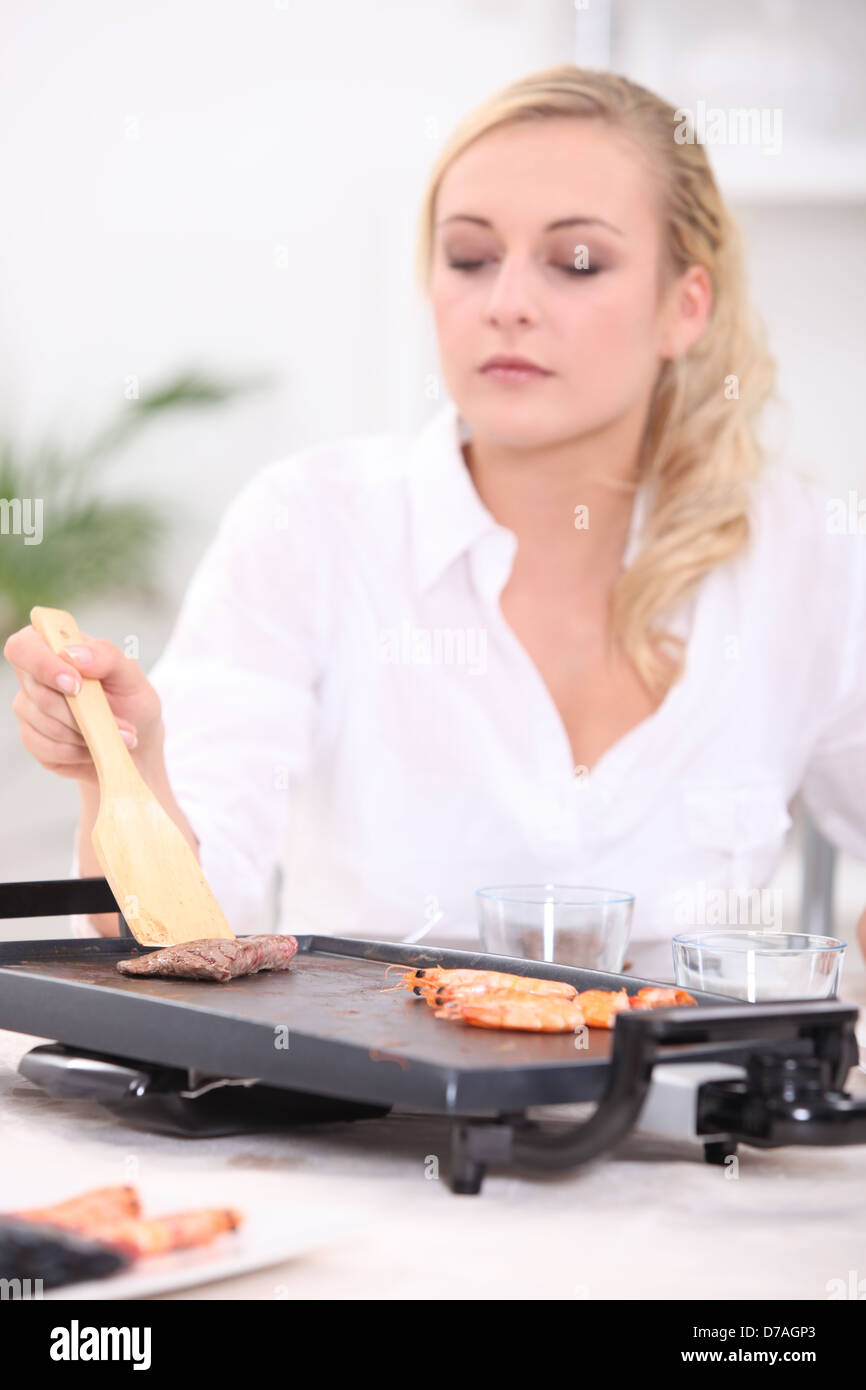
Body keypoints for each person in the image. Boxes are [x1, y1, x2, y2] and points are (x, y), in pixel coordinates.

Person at [5, 65, 865, 955]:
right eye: (470, 258)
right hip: (380, 1094)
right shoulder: (311, 525)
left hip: (691, 1096)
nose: (507, 305)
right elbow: (175, 930)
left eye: (576, 262)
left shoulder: (807, 559)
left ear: (683, 309)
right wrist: (124, 767)